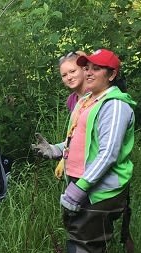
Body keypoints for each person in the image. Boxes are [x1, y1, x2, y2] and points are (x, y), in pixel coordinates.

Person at [56, 49, 137, 253]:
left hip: (101, 190)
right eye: (86, 67)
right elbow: (78, 140)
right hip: (83, 184)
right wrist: (55, 150)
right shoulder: (87, 101)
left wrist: (80, 188)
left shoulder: (115, 106)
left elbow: (108, 154)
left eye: (96, 68)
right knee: (90, 244)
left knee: (84, 249)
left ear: (112, 75)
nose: (88, 72)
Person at [32, 50, 91, 179]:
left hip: (93, 169)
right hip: (76, 172)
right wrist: (56, 151)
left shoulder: (96, 96)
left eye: (72, 71)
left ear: (84, 70)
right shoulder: (72, 100)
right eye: (64, 75)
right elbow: (75, 136)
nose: (69, 77)